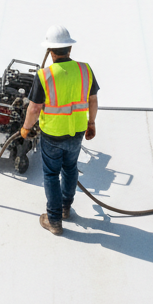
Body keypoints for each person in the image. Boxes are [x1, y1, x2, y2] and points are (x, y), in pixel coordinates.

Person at [21, 25, 98, 236]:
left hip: (53, 134)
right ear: (69, 49)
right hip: (77, 132)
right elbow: (93, 99)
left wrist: (26, 129)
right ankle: (65, 208)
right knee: (70, 168)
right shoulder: (85, 70)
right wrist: (91, 123)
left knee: (52, 174)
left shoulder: (44, 75)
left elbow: (34, 108)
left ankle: (54, 220)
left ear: (51, 52)